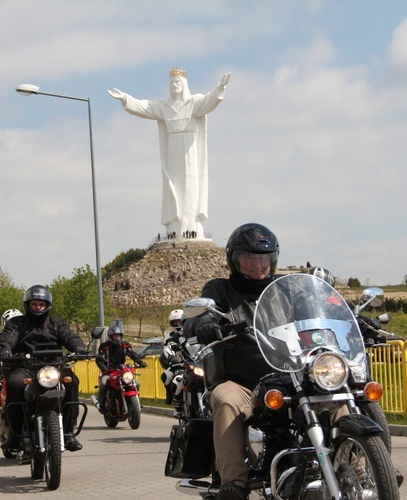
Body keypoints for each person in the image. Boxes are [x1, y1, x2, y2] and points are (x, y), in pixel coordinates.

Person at [182, 223, 280, 500]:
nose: (257, 264)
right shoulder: (221, 289)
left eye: (263, 258)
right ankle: (234, 483)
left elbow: (315, 312)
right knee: (224, 399)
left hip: (289, 376)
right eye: (249, 258)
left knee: (335, 395)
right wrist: (202, 322)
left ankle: (363, 467)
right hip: (242, 383)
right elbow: (199, 313)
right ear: (234, 260)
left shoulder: (283, 290)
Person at [108, 69, 231, 238]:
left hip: (189, 150)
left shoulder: (193, 103)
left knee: (190, 188)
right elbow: (145, 107)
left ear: (184, 84)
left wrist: (220, 88)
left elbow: (209, 101)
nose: (174, 86)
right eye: (172, 83)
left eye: (177, 82)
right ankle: (175, 225)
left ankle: (192, 226)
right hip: (172, 150)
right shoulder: (164, 106)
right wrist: (125, 98)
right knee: (174, 187)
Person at [0, 285, 87, 452]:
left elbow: (70, 336)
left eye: (41, 304)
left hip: (54, 368)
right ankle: (15, 435)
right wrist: (5, 349)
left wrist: (79, 348)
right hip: (26, 368)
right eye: (34, 304)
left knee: (71, 381)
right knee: (14, 382)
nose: (38, 307)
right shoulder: (17, 323)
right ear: (27, 304)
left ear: (47, 305)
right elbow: (6, 338)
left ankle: (68, 433)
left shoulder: (56, 323)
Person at [95, 325, 147, 414]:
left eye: (118, 335)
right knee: (104, 383)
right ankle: (102, 405)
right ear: (111, 336)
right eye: (115, 336)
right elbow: (99, 359)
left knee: (136, 383)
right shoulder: (105, 346)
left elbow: (132, 354)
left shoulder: (125, 345)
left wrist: (140, 362)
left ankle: (135, 403)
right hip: (109, 371)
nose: (117, 338)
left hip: (122, 371)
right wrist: (103, 368)